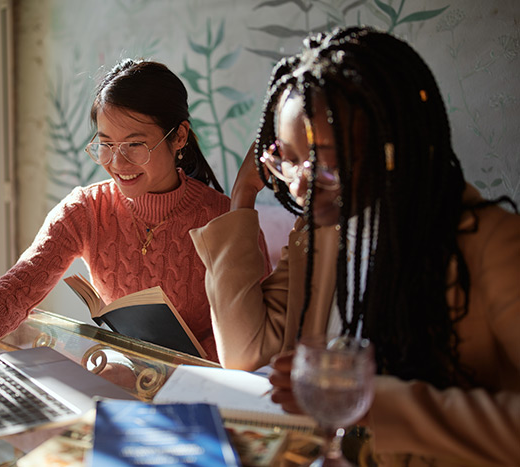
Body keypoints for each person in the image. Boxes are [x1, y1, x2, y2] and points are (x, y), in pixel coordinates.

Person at [190, 26, 520, 464]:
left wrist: (373, 402)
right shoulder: (321, 238)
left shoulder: (489, 244)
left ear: (394, 149)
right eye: (284, 158)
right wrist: (242, 196)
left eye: (327, 161)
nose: (301, 183)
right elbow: (245, 353)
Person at [0, 59, 272, 372]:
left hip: (204, 389)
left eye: (135, 145)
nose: (117, 163)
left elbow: (258, 333)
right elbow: (18, 287)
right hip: (119, 379)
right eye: (106, 145)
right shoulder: (86, 210)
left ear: (179, 137)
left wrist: (182, 368)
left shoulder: (225, 218)